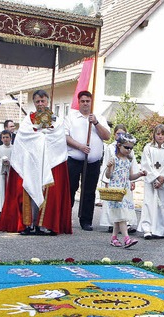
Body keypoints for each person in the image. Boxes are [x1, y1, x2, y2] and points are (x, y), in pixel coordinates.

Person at [0, 89, 71, 235]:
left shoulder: (57, 119)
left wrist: (45, 133)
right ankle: (28, 223)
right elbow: (23, 138)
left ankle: (45, 224)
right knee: (29, 190)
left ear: (48, 102)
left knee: (48, 191)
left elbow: (58, 139)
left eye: (43, 101)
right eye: (37, 101)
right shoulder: (27, 120)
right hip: (31, 161)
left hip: (50, 162)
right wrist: (38, 133)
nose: (40, 104)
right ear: (34, 102)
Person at [64, 90, 111, 231]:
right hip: (74, 159)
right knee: (70, 188)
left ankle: (86, 220)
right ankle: (66, 217)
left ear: (91, 102)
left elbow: (107, 136)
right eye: (83, 101)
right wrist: (80, 146)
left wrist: (95, 122)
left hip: (93, 162)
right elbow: (65, 137)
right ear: (79, 102)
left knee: (89, 191)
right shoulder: (70, 118)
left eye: (88, 101)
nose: (85, 103)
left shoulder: (100, 118)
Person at [105, 133, 146, 248]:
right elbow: (109, 176)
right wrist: (108, 167)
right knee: (122, 215)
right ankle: (127, 238)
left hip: (125, 190)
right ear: (119, 145)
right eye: (126, 147)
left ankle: (114, 237)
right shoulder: (114, 159)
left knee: (119, 215)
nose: (129, 150)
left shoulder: (128, 161)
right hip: (116, 190)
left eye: (131, 148)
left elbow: (130, 177)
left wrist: (139, 174)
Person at [138, 123, 164, 239]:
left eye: (162, 134)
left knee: (162, 205)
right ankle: (147, 229)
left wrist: (162, 178)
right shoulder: (148, 148)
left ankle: (160, 229)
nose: (160, 136)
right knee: (149, 203)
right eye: (158, 134)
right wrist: (156, 177)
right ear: (154, 135)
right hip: (151, 181)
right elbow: (146, 164)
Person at [99, 124, 138, 233]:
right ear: (114, 134)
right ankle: (111, 224)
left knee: (124, 205)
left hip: (124, 182)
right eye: (118, 133)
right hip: (114, 182)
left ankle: (125, 225)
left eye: (122, 133)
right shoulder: (110, 148)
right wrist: (106, 181)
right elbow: (106, 165)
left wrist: (133, 181)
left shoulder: (129, 148)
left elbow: (132, 165)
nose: (120, 135)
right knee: (114, 205)